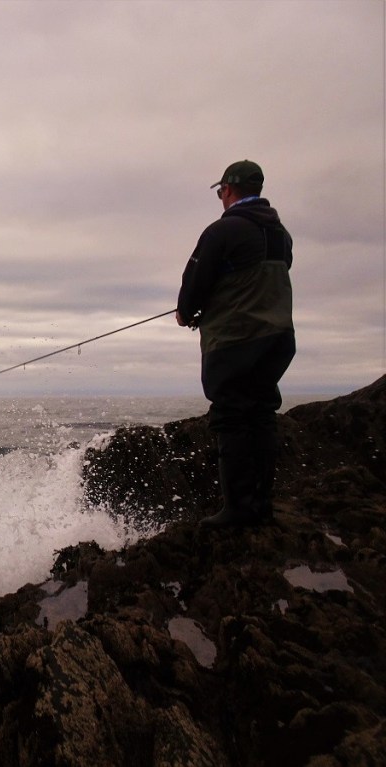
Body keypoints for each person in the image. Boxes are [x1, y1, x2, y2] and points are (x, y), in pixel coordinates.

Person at [176, 160, 295, 527]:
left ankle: (238, 509)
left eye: (220, 192)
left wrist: (185, 313)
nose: (220, 197)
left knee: (231, 416)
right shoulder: (281, 235)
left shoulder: (222, 231)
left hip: (235, 341)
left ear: (227, 189)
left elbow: (194, 283)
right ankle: (261, 505)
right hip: (278, 339)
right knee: (261, 414)